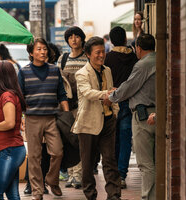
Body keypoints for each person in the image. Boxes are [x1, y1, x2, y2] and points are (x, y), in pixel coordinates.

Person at [18, 38, 69, 200]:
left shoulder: (54, 70)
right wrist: (21, 117)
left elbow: (62, 94)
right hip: (32, 118)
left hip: (52, 118)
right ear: (31, 53)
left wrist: (67, 115)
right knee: (34, 156)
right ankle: (37, 191)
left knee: (58, 152)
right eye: (39, 49)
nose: (43, 52)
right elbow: (20, 98)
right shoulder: (24, 72)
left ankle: (52, 180)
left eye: (45, 49)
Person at [72, 36, 121, 200]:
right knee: (87, 164)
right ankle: (90, 194)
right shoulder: (81, 73)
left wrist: (115, 111)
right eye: (97, 52)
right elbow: (87, 93)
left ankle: (114, 195)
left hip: (108, 121)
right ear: (88, 54)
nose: (101, 55)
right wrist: (108, 94)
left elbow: (113, 92)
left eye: (103, 51)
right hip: (88, 123)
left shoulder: (107, 70)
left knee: (110, 160)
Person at [108, 34, 156, 200]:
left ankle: (149, 197)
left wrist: (111, 96)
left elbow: (129, 87)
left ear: (139, 48)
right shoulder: (159, 59)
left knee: (146, 163)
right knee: (154, 161)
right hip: (156, 113)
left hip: (144, 116)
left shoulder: (143, 64)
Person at [0, 61, 27, 200]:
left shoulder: (7, 96)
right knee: (11, 193)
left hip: (10, 150)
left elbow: (9, 123)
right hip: (10, 149)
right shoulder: (9, 94)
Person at [104, 26, 138, 189]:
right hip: (129, 101)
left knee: (112, 139)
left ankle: (114, 174)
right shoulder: (134, 57)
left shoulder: (108, 58)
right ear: (125, 39)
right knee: (125, 140)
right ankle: (122, 175)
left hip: (112, 101)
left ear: (111, 40)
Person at [56, 26, 87, 189]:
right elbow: (58, 81)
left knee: (80, 138)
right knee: (68, 139)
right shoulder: (63, 58)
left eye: (76, 36)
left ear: (82, 39)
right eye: (70, 37)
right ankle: (71, 174)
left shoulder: (87, 58)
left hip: (83, 105)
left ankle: (79, 175)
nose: (74, 39)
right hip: (67, 105)